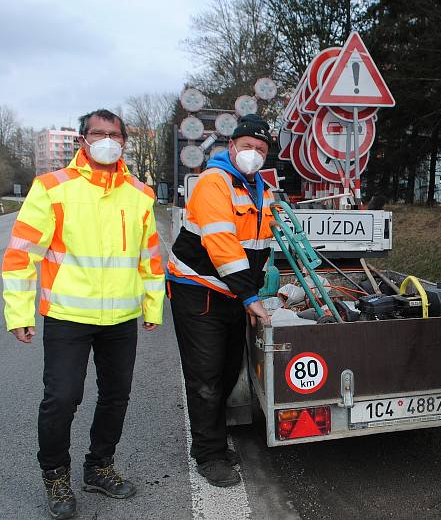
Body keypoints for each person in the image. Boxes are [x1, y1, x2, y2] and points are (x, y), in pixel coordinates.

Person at [2, 109, 164, 520]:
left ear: (124, 141)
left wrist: (152, 306)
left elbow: (150, 258)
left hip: (121, 319)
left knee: (116, 396)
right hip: (68, 315)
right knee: (61, 398)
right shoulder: (52, 188)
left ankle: (99, 467)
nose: (107, 140)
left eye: (114, 134)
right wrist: (19, 313)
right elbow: (21, 257)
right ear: (83, 141)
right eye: (98, 133)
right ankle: (55, 475)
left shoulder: (140, 194)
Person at [167, 114, 274, 487]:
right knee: (206, 377)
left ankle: (213, 439)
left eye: (261, 149)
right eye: (247, 146)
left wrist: (259, 288)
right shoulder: (215, 182)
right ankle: (209, 454)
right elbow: (222, 244)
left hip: (232, 292)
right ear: (232, 147)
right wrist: (250, 296)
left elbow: (259, 245)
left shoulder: (261, 188)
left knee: (229, 370)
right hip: (198, 290)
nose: (253, 153)